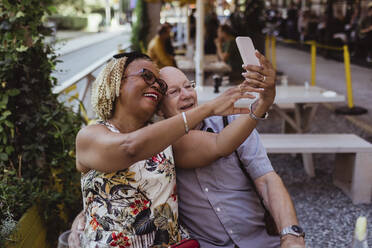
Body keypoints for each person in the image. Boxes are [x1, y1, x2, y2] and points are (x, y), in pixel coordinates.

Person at [74, 51, 258, 247]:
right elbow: (129, 148)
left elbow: (220, 144)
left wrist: (261, 105)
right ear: (116, 80)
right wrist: (209, 108)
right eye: (147, 76)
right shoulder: (90, 136)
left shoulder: (164, 139)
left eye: (160, 85)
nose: (155, 85)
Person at [158, 52, 305, 248]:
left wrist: (291, 235)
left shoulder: (231, 122)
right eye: (174, 92)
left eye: (188, 86)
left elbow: (267, 180)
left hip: (261, 241)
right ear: (159, 110)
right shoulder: (161, 143)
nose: (186, 95)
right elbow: (218, 144)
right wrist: (261, 106)